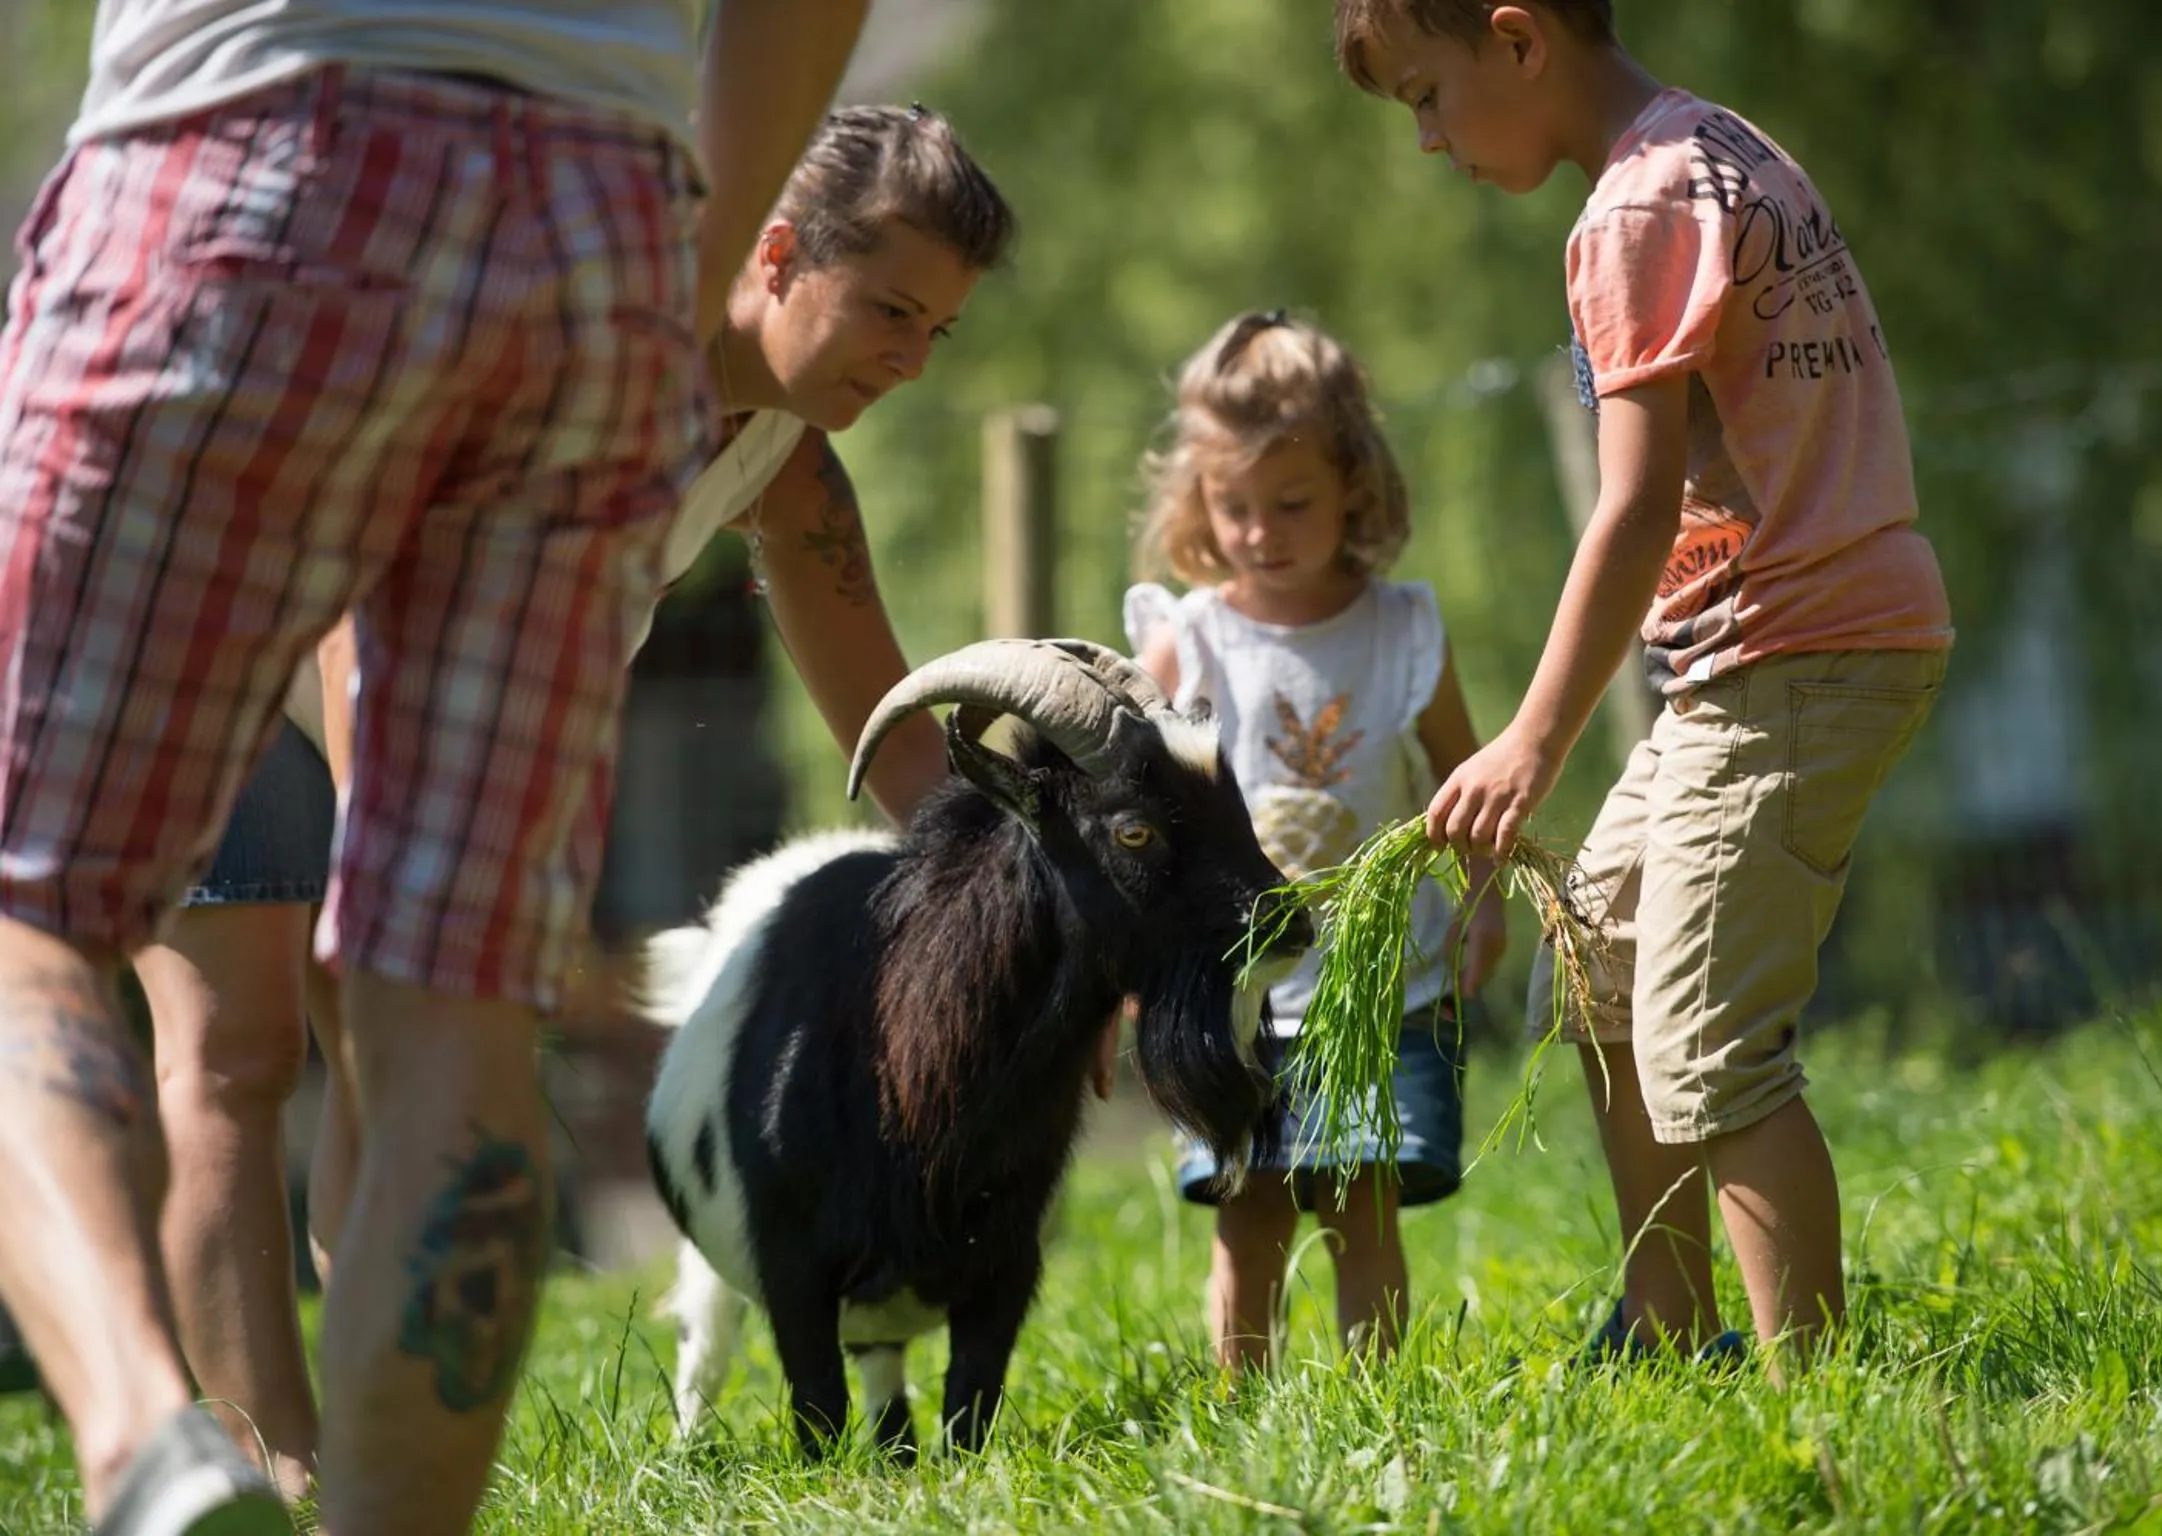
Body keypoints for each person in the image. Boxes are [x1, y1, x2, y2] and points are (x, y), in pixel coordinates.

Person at [0, 3, 873, 1532]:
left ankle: (150, 1439)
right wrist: (685, 248)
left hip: (250, 141)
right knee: (453, 1002)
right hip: (597, 223)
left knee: (34, 911)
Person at [126, 100, 1015, 1509]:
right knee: (238, 1053)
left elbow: (898, 748)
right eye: (889, 311)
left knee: (398, 1055)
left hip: (399, 725)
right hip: (213, 616)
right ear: (776, 253)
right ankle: (264, 1470)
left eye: (937, 332)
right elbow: (379, 566)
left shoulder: (782, 463)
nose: (910, 361)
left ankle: (368, 1470)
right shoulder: (586, 357)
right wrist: (398, 844)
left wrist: (1041, 917)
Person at [1333, 1, 1953, 1368]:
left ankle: (1820, 1397)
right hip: (1779, 650)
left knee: (1711, 1049)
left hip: (1788, 653)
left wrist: (1530, 744)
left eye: (1429, 97)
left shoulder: (1632, 210)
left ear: (1517, 37)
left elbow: (1630, 508)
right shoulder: (1722, 148)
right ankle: (1670, 1329)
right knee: (1603, 952)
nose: (1429, 141)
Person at [1124, 309, 1509, 1371]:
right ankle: (1242, 1402)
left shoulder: (1401, 630)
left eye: (1290, 502)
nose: (1258, 530)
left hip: (1377, 987)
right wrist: (1134, 956)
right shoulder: (1191, 640)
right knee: (1247, 1219)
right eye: (1230, 504)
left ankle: (1374, 1399)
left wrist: (1483, 898)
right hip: (1233, 996)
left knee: (1361, 1211)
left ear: (1355, 484)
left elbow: (1464, 780)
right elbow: (1133, 817)